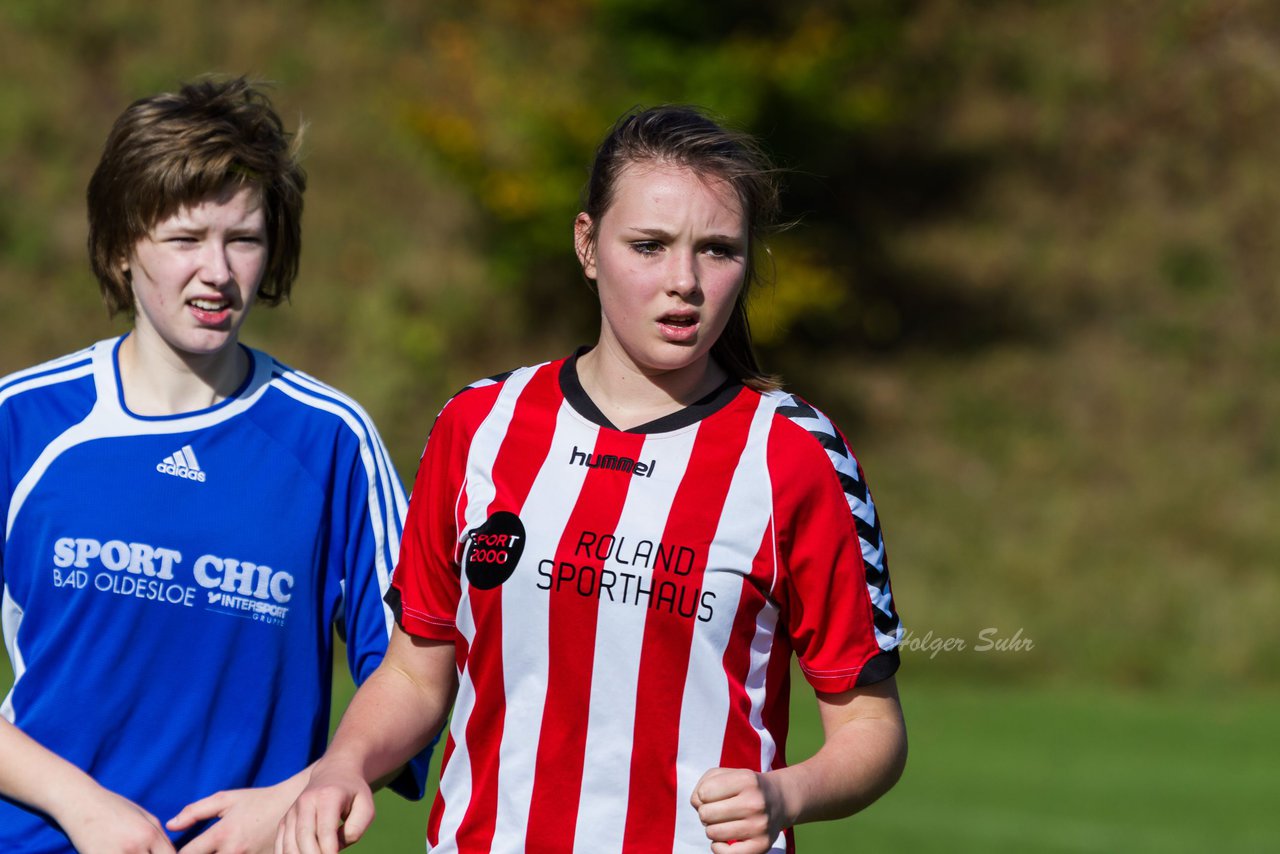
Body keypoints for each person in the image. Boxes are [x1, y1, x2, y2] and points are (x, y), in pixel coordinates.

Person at [279, 105, 906, 854]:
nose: (685, 282)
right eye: (649, 245)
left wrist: (784, 792)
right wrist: (344, 766)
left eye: (717, 250)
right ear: (587, 244)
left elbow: (871, 727)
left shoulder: (794, 455)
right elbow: (417, 676)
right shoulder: (480, 427)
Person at [0, 77, 429, 853]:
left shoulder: (330, 440)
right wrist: (81, 805)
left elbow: (417, 672)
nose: (219, 272)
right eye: (186, 238)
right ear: (124, 244)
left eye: (244, 239)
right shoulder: (21, 421)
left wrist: (303, 794)